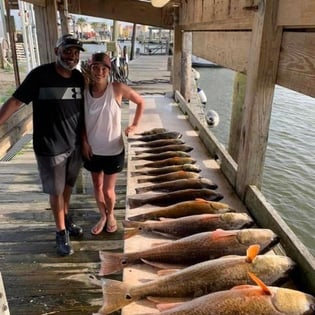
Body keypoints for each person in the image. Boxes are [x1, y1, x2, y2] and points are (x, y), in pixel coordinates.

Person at [0, 34, 86, 256]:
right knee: (56, 191)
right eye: (68, 51)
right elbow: (15, 101)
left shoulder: (79, 78)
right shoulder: (40, 75)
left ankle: (65, 220)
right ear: (57, 50)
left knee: (67, 187)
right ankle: (60, 233)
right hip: (50, 146)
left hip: (74, 145)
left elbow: (88, 109)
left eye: (76, 53)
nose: (72, 56)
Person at [82, 52, 144, 235]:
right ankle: (103, 215)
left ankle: (111, 215)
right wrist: (84, 142)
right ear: (90, 69)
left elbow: (140, 102)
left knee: (109, 191)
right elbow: (80, 122)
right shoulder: (84, 91)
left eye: (104, 68)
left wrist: (134, 125)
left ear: (109, 71)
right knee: (97, 185)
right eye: (95, 68)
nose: (99, 72)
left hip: (113, 149)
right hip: (92, 149)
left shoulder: (117, 88)